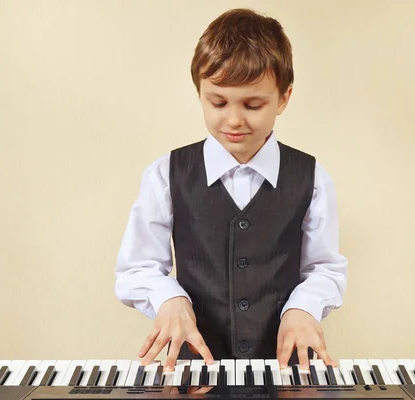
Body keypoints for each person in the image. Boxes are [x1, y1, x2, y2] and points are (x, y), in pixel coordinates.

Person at [114, 8, 347, 373]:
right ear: (199, 93)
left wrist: (304, 307)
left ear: (284, 98)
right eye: (218, 102)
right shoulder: (165, 175)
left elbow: (325, 268)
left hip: (286, 372)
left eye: (253, 105)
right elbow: (136, 268)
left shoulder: (313, 178)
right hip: (197, 373)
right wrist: (169, 299)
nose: (234, 120)